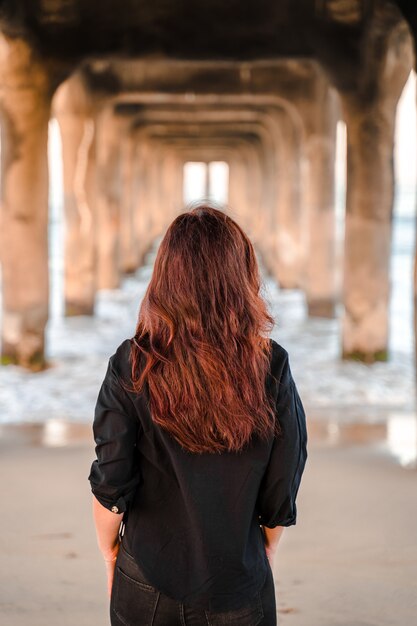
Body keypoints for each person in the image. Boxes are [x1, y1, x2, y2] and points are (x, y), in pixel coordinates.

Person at [88, 202, 308, 626]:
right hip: (239, 580)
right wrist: (269, 548)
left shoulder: (133, 362)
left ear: (165, 276)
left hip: (147, 575)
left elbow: (111, 477)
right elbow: (284, 480)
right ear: (241, 275)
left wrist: (109, 551)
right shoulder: (271, 364)